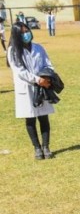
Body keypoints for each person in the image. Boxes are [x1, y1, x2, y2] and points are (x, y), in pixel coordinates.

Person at [7, 22, 60, 160]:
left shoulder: (39, 48)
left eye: (27, 31)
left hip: (42, 86)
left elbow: (48, 64)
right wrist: (37, 79)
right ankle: (37, 148)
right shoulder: (13, 51)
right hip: (26, 88)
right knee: (30, 119)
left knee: (44, 117)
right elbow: (20, 71)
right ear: (17, 35)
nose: (26, 34)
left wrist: (46, 77)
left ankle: (46, 146)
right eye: (23, 32)